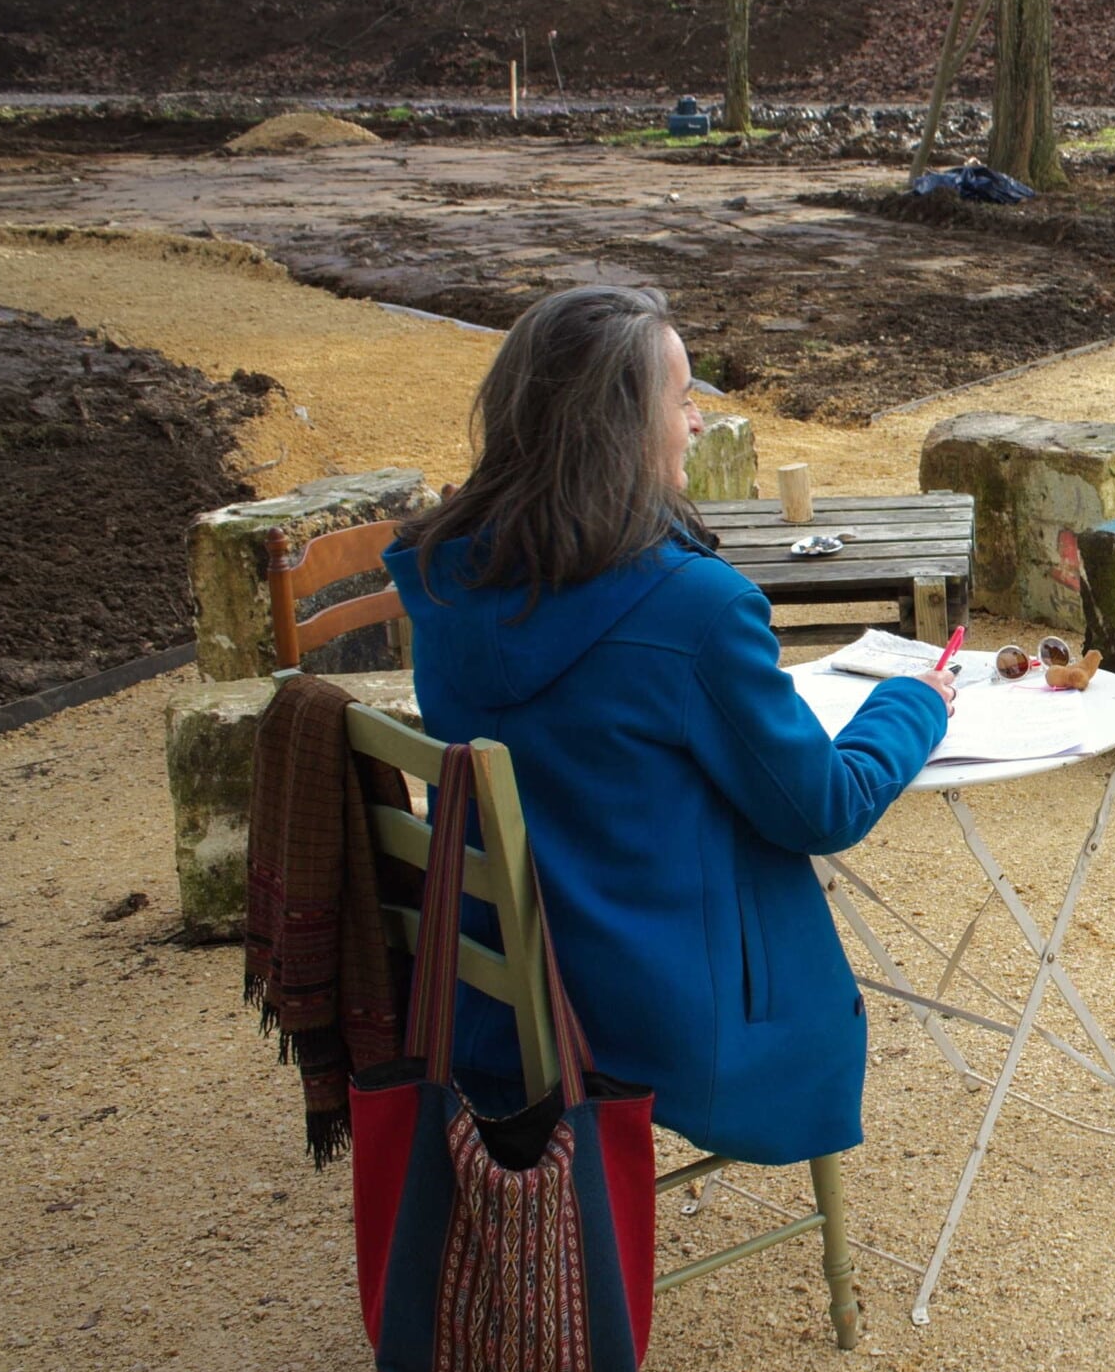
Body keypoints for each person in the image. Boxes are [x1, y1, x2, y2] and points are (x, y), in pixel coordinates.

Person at [383, 285, 955, 1169]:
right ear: (614, 425)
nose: (696, 422)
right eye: (683, 398)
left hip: (500, 996)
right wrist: (915, 702)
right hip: (660, 1011)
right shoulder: (693, 607)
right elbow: (825, 810)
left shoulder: (446, 576)